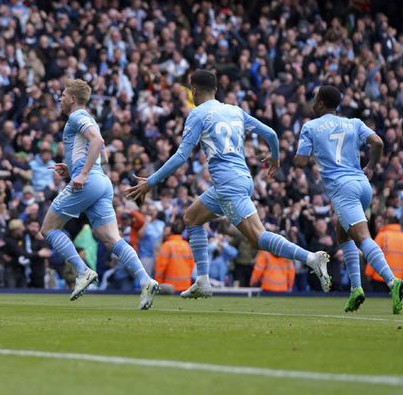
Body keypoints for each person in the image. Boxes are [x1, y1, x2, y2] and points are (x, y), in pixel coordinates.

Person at [127, 70, 331, 300]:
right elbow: (272, 134)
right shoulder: (235, 110)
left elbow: (181, 156)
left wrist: (151, 182)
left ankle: (311, 258)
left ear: (193, 90)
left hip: (227, 185)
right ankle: (202, 281)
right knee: (192, 218)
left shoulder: (198, 115)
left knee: (258, 237)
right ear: (215, 90)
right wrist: (274, 157)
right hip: (242, 179)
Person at [39, 79, 159, 310]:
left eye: (64, 95)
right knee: (111, 239)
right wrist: (71, 168)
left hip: (90, 181)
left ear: (73, 99)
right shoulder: (88, 118)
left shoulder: (77, 116)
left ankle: (82, 271)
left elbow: (98, 140)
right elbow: (99, 153)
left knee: (49, 229)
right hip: (101, 182)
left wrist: (82, 174)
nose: (61, 99)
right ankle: (146, 280)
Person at [294, 85, 403, 314]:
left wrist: (305, 152)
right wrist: (372, 167)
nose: (312, 102)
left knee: (362, 237)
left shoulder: (310, 127)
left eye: (315, 98)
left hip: (342, 188)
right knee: (342, 231)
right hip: (362, 185)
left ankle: (392, 281)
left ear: (320, 104)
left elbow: (300, 163)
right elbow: (378, 142)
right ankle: (356, 288)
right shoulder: (354, 122)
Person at [365, 212, 403, 294]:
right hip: (398, 280)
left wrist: (368, 274)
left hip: (379, 279)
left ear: (386, 223)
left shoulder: (382, 236)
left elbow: (373, 257)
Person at [154, 220, 194, 293]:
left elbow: (160, 267)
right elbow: (192, 266)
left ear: (171, 232)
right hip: (185, 286)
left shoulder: (167, 246)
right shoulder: (187, 246)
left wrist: (158, 284)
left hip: (170, 287)